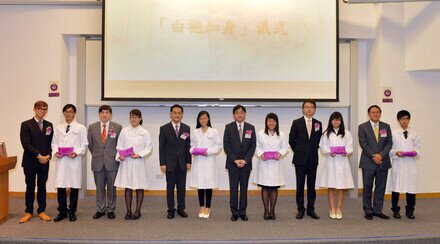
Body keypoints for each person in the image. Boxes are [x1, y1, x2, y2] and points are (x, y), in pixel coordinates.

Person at [51, 104, 88, 222]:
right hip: (62, 160)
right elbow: (54, 143)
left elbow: (84, 144)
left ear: (74, 113)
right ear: (63, 113)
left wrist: (76, 153)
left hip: (74, 160)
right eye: (66, 112)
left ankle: (72, 212)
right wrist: (56, 152)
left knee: (74, 186)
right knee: (61, 187)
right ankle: (62, 212)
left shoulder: (81, 128)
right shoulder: (58, 128)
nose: (68, 114)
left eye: (70, 112)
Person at [114, 109, 152, 220]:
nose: (133, 119)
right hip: (126, 162)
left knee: (139, 187)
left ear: (140, 119)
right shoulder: (124, 131)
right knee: (128, 187)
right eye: (131, 117)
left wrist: (139, 154)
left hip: (138, 163)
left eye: (136, 117)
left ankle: (137, 211)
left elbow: (149, 147)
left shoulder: (145, 132)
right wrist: (120, 155)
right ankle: (128, 211)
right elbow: (119, 146)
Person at [19, 101, 53, 223]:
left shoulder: (49, 125)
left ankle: (41, 211)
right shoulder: (26, 124)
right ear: (34, 109)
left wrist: (48, 155)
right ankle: (28, 211)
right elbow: (26, 144)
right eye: (39, 109)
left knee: (42, 186)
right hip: (30, 161)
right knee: (30, 186)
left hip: (45, 161)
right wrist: (39, 156)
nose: (42, 111)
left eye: (45, 109)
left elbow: (50, 143)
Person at [289, 99, 322, 219]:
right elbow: (291, 140)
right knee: (300, 185)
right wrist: (299, 151)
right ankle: (301, 209)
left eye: (311, 107)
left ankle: (311, 209)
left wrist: (311, 150)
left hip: (313, 159)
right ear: (303, 109)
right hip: (300, 159)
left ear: (314, 109)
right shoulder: (296, 122)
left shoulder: (318, 123)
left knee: (312, 186)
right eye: (306, 107)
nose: (309, 109)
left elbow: (319, 140)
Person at [87, 105, 122, 219]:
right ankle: (100, 209)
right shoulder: (92, 127)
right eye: (102, 112)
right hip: (97, 162)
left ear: (110, 114)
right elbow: (91, 145)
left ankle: (111, 209)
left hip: (112, 162)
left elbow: (119, 144)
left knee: (112, 188)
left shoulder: (117, 127)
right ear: (99, 114)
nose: (104, 115)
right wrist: (98, 154)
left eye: (107, 113)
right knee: (100, 188)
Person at [358, 105, 392, 220]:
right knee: (367, 187)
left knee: (380, 187)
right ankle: (368, 210)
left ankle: (378, 210)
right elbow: (363, 144)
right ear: (369, 114)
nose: (375, 114)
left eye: (377, 112)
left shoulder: (386, 126)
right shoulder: (362, 127)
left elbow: (389, 143)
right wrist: (374, 155)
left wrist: (380, 155)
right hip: (368, 162)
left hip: (383, 161)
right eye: (373, 112)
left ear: (380, 113)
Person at [319, 112, 354, 220]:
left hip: (342, 162)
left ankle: (338, 208)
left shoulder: (347, 133)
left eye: (338, 120)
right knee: (331, 186)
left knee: (341, 186)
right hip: (331, 161)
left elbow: (350, 147)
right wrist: (330, 151)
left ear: (341, 121)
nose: (336, 122)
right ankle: (332, 209)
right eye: (334, 120)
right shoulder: (326, 134)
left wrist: (346, 152)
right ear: (330, 121)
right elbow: (322, 147)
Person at [223, 105, 256, 221]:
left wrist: (245, 160)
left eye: (242, 112)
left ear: (245, 114)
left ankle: (242, 212)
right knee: (233, 189)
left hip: (246, 164)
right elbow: (226, 146)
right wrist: (235, 160)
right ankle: (234, 212)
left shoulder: (250, 127)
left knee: (244, 189)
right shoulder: (228, 127)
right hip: (233, 164)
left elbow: (253, 146)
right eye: (237, 113)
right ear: (234, 115)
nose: (239, 114)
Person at [254, 113, 289, 220]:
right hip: (264, 163)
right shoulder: (260, 133)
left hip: (275, 164)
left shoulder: (281, 134)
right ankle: (266, 210)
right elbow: (256, 146)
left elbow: (285, 147)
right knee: (264, 187)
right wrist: (260, 154)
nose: (271, 123)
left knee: (274, 187)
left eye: (273, 121)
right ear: (266, 122)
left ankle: (272, 210)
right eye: (269, 121)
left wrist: (280, 153)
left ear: (276, 123)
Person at [159, 104, 192, 219]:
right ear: (170, 114)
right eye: (175, 112)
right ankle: (171, 210)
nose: (177, 115)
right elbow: (161, 147)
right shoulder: (164, 128)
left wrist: (189, 161)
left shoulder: (186, 128)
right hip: (169, 163)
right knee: (170, 188)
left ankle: (181, 209)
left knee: (182, 188)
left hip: (182, 163)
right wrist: (162, 163)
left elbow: (188, 147)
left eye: (179, 113)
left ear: (182, 115)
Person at [189, 111, 222, 219]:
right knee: (200, 185)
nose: (203, 120)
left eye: (205, 118)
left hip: (209, 161)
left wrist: (207, 151)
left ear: (208, 119)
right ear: (198, 120)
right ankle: (201, 206)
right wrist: (193, 150)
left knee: (208, 185)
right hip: (198, 161)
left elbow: (218, 146)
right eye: (201, 119)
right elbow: (191, 145)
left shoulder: (214, 131)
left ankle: (208, 207)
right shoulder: (195, 132)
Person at [390, 110, 421, 220]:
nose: (404, 121)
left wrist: (415, 153)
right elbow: (390, 148)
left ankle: (410, 210)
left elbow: (418, 147)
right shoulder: (393, 133)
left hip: (410, 164)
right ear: (398, 120)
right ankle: (395, 209)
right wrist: (396, 153)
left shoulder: (414, 133)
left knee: (411, 188)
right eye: (402, 119)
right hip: (398, 163)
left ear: (409, 120)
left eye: (406, 118)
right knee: (396, 187)